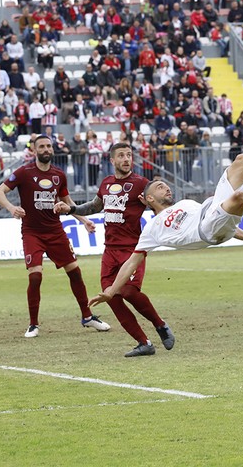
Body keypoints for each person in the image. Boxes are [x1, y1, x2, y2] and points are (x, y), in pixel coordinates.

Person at [89, 137, 243, 306]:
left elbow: (229, 226)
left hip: (212, 214)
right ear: (149, 197)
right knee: (238, 198)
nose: (167, 188)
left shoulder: (184, 204)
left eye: (166, 185)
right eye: (160, 187)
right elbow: (131, 263)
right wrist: (111, 291)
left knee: (241, 161)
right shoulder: (150, 229)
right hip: (207, 231)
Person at [54, 143, 175, 357]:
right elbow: (94, 206)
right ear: (112, 161)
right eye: (121, 155)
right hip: (109, 250)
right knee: (111, 296)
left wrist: (157, 210)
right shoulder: (107, 183)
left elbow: (159, 203)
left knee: (128, 291)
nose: (126, 159)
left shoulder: (141, 184)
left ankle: (160, 324)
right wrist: (70, 209)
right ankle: (143, 342)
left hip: (133, 249)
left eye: (129, 155)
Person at [0, 135, 111, 338]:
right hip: (32, 232)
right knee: (36, 275)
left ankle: (87, 316)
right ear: (35, 150)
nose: (46, 149)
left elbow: (67, 202)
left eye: (49, 146)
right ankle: (33, 324)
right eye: (42, 146)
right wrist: (12, 208)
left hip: (55, 231)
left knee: (75, 272)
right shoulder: (24, 172)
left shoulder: (59, 175)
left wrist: (83, 220)